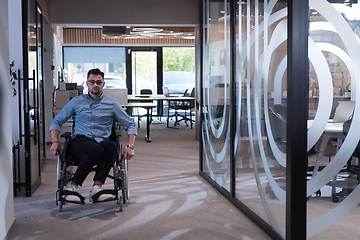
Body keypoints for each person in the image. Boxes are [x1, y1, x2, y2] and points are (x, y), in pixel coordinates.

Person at [50, 68, 137, 203]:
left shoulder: (112, 103)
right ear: (87, 83)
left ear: (103, 84)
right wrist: (55, 141)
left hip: (103, 141)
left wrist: (130, 146)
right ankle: (72, 186)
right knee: (96, 149)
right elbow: (56, 121)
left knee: (111, 146)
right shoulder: (76, 102)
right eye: (92, 82)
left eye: (98, 82)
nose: (95, 85)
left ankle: (97, 188)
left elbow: (130, 124)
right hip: (80, 142)